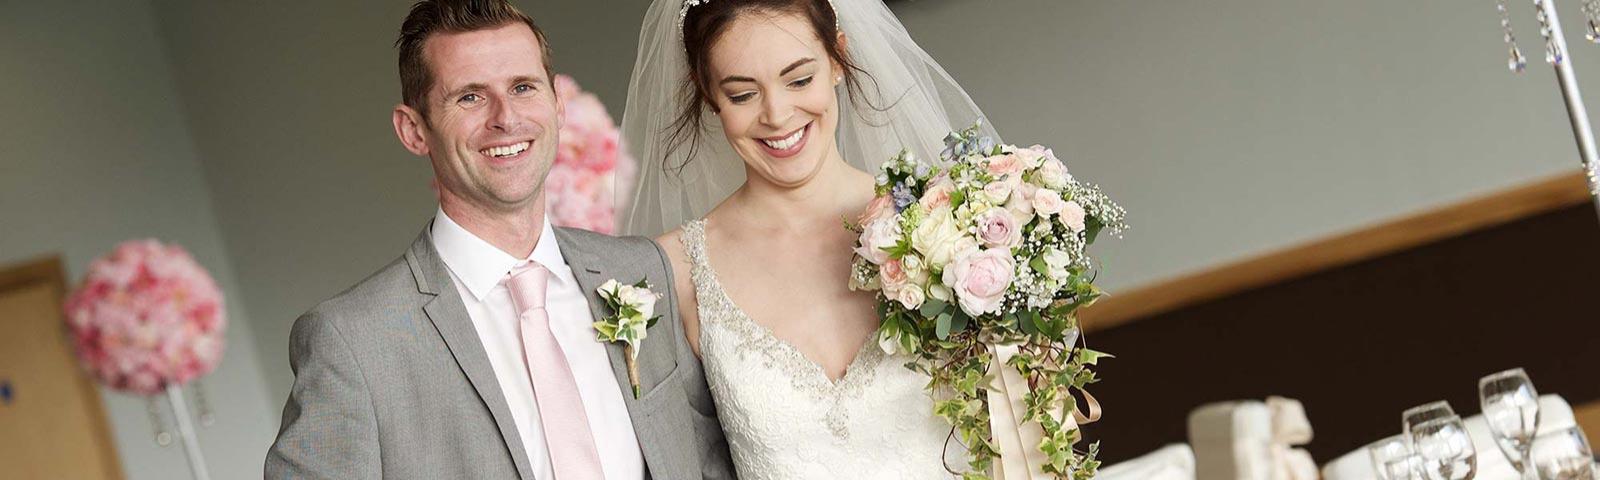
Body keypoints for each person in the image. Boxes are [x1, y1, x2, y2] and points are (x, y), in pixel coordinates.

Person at [265, 1, 734, 478]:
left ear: (557, 104)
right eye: (470, 97)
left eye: (523, 87)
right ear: (414, 130)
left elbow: (707, 464)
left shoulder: (641, 272)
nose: (505, 118)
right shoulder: (352, 343)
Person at [621, 0, 998, 477]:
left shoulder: (948, 223)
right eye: (742, 95)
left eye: (799, 80)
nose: (777, 115)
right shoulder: (675, 272)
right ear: (708, 93)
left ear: (838, 58)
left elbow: (1029, 424)